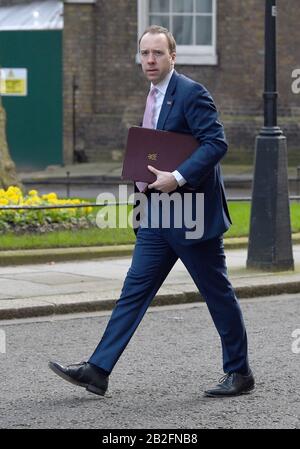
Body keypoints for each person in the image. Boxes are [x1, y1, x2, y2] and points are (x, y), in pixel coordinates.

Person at [49, 25, 255, 398]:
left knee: (217, 294)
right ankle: (98, 370)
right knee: (133, 291)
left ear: (172, 56)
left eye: (157, 53)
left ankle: (239, 372)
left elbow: (216, 143)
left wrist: (177, 177)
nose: (149, 60)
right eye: (144, 53)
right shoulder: (152, 94)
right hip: (156, 214)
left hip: (190, 214)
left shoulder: (192, 93)